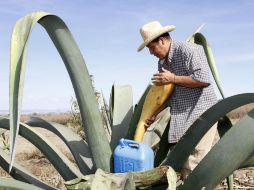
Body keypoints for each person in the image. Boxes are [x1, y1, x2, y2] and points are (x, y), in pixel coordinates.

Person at [137, 21, 218, 179]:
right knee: (182, 163)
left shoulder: (190, 50)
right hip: (181, 117)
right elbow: (167, 94)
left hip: (202, 114)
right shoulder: (163, 63)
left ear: (162, 40)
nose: (151, 53)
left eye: (151, 47)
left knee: (195, 163)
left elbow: (203, 79)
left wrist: (173, 78)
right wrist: (154, 114)